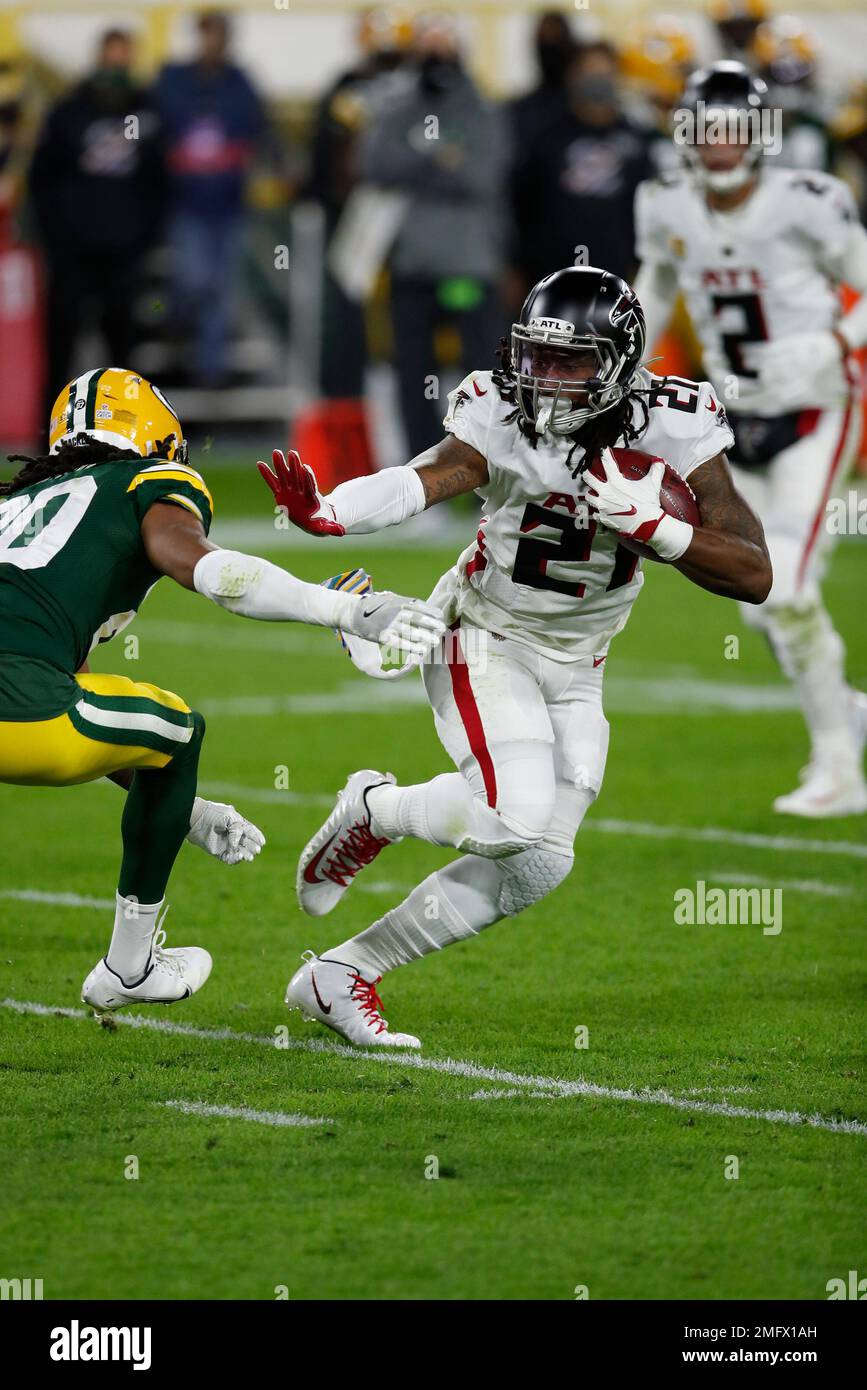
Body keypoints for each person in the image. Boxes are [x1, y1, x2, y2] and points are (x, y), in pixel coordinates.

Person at [256, 264, 772, 1048]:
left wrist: (657, 528)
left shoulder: (677, 420)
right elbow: (428, 476)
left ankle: (338, 974)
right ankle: (376, 809)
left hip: (580, 663)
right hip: (482, 631)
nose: (545, 380)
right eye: (534, 357)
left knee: (540, 863)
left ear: (621, 364)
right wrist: (330, 512)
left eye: (570, 363)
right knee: (512, 819)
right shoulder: (498, 407)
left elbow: (752, 571)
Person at [0, 369, 445, 1015]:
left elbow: (66, 704)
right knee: (178, 728)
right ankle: (130, 967)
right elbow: (213, 571)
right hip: (18, 702)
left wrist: (191, 811)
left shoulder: (16, 505)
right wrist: (342, 611)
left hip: (24, 696)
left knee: (127, 715)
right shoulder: (143, 484)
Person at [633, 61, 867, 817]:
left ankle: (837, 766)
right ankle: (845, 712)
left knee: (786, 584)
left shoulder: (808, 200)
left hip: (813, 411)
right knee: (758, 598)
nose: (721, 144)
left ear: (761, 137)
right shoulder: (665, 201)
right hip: (732, 421)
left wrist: (835, 344)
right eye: (708, 129)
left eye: (735, 129)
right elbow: (659, 284)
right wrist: (620, 354)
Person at [358, 14, 508, 458]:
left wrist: (420, 167)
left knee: (482, 374)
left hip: (468, 265)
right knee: (413, 373)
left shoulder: (481, 108)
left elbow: (483, 175)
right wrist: (439, 161)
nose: (438, 58)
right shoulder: (398, 106)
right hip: (412, 263)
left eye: (445, 47)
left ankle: (490, 466)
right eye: (429, 47)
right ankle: (423, 474)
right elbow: (376, 165)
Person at [28, 30, 165, 430]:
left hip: (122, 257)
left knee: (123, 360)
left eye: (124, 60)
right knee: (60, 351)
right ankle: (48, 444)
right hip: (72, 256)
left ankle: (125, 440)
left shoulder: (147, 115)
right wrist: (59, 238)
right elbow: (42, 180)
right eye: (112, 59)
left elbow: (159, 185)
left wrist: (140, 241)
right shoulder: (69, 112)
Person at [152, 11, 265, 388]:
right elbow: (158, 129)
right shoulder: (174, 79)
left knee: (221, 288)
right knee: (194, 280)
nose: (213, 43)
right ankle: (177, 327)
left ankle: (210, 370)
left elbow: (257, 131)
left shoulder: (240, 82)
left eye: (219, 35)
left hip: (228, 203)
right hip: (188, 202)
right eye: (207, 35)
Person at [510, 41, 653, 295]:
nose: (597, 80)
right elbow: (522, 207)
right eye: (589, 71)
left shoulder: (637, 140)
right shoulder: (547, 139)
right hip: (550, 276)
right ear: (572, 76)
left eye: (605, 72)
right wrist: (515, 267)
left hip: (617, 277)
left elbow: (647, 211)